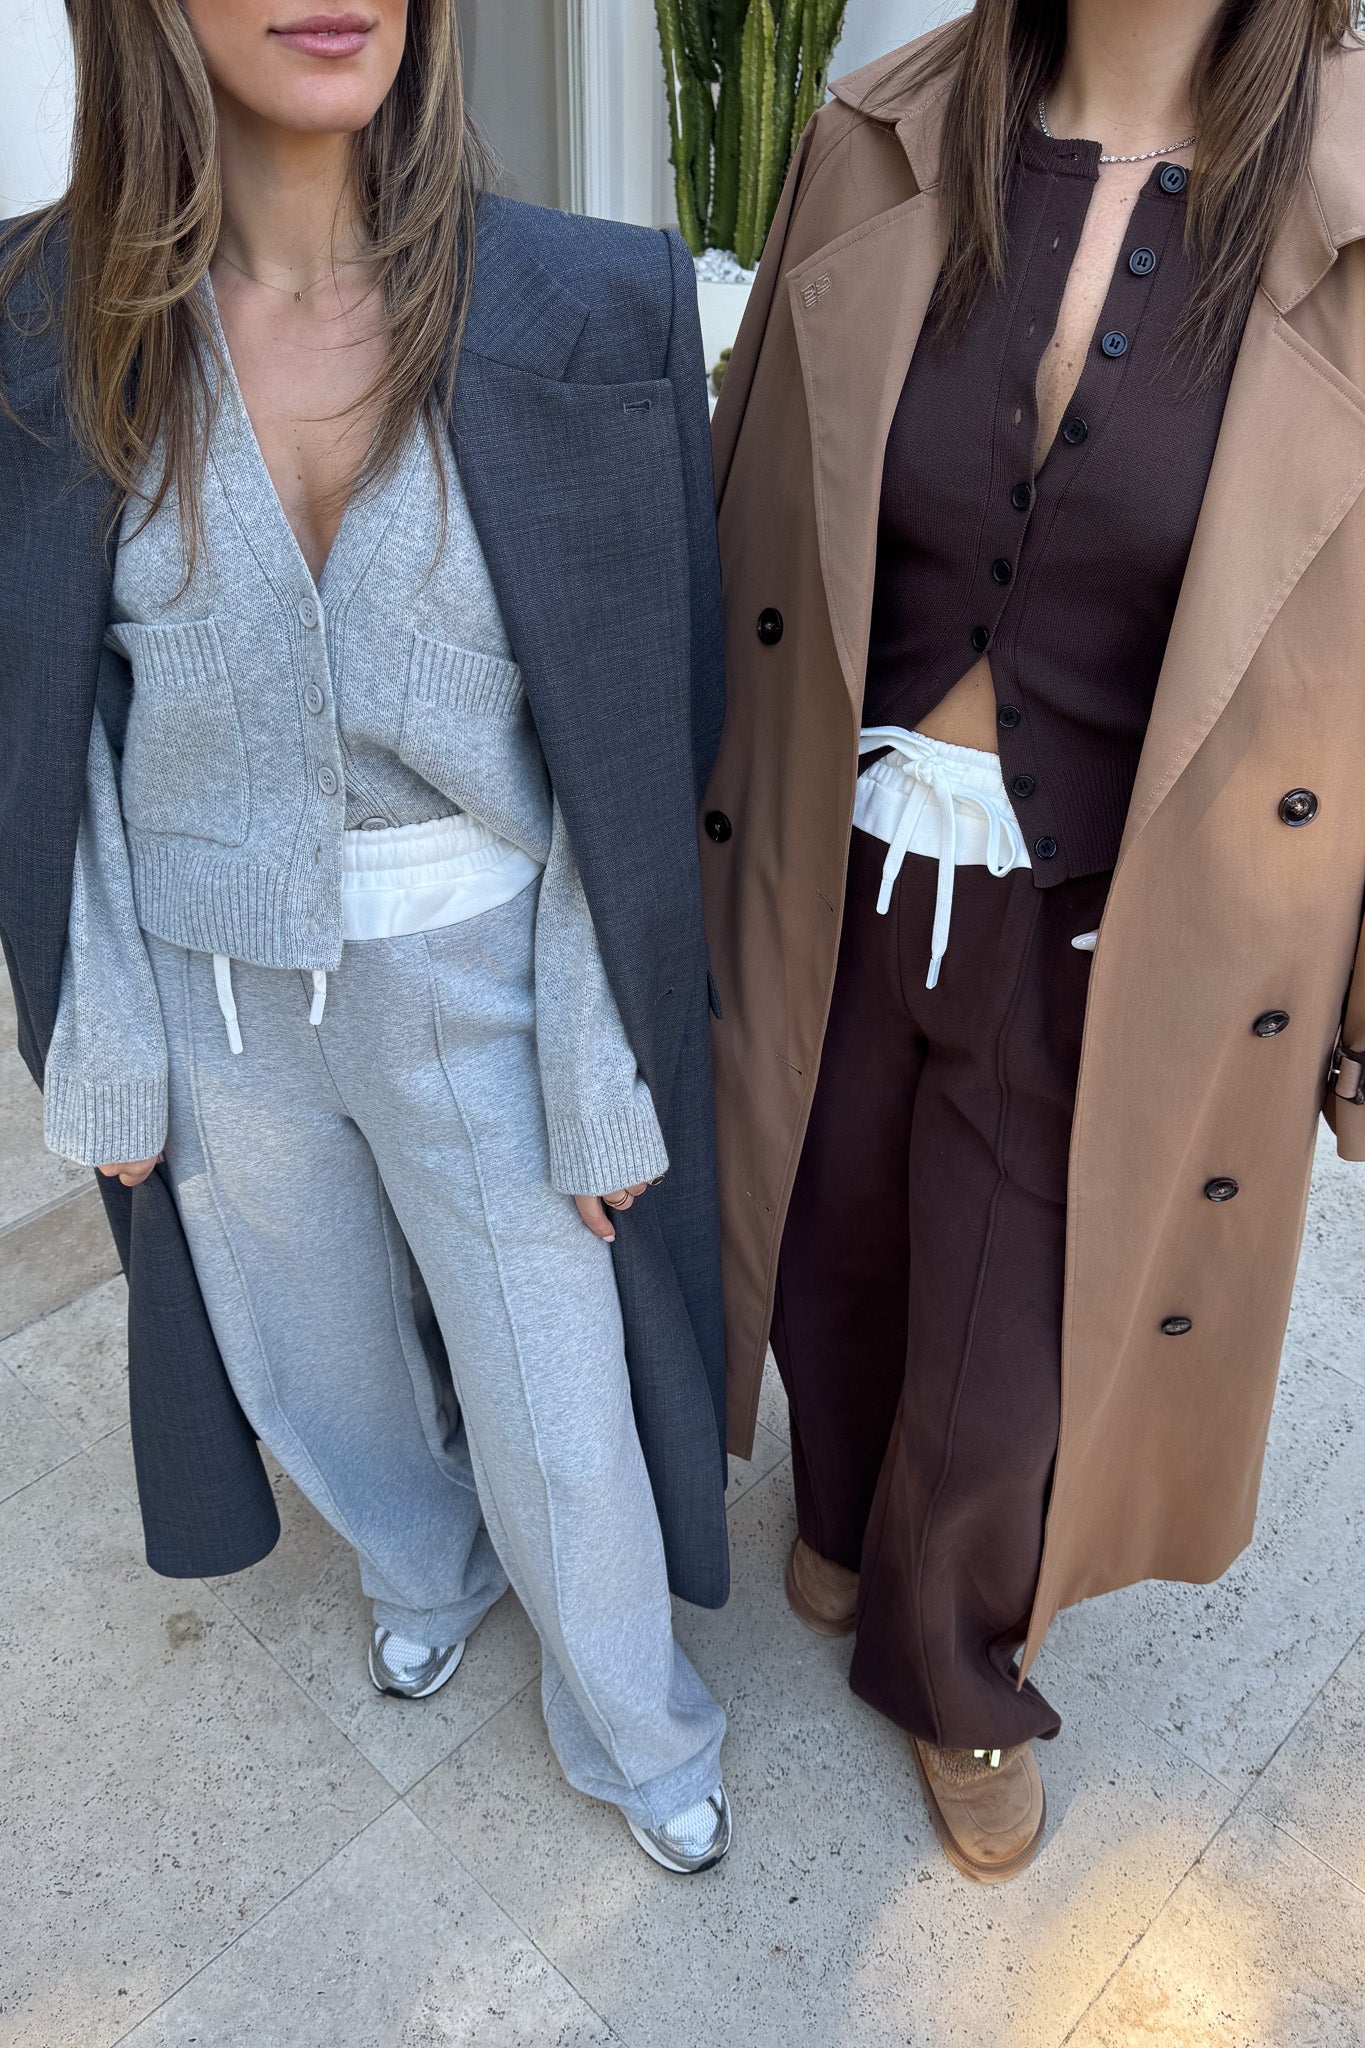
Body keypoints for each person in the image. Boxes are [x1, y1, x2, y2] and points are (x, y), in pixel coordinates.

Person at [0, 0, 733, 1875]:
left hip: (481, 966)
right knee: (312, 1364)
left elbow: (642, 728)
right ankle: (423, 1564)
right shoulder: (37, 321)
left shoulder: (595, 300)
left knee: (557, 1393)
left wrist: (603, 1048)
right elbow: (44, 725)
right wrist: (99, 1031)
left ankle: (639, 1725)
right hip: (214, 988)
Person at [704, 0, 1365, 1883]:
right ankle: (838, 1511)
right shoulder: (873, 135)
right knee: (826, 1230)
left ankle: (955, 1656)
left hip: (1117, 922)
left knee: (1012, 1335)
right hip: (836, 849)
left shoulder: (1346, 207)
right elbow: (749, 494)